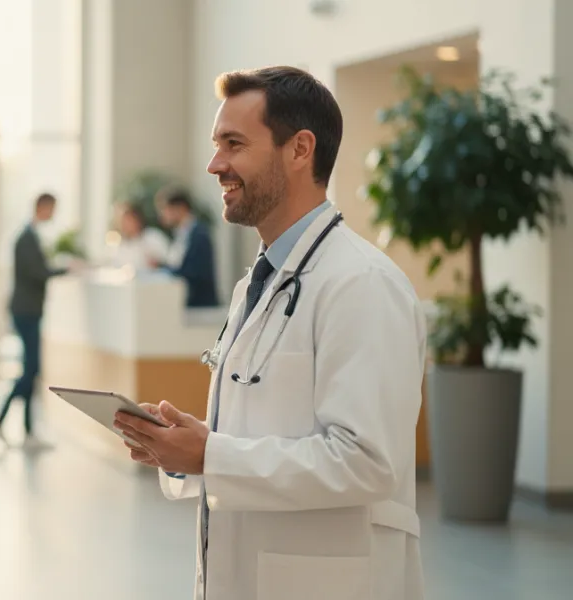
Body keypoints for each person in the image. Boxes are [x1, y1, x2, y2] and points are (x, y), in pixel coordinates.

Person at [115, 66, 427, 600]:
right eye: (216, 145)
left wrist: (211, 455)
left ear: (300, 149)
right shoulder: (261, 283)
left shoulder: (362, 284)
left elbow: (367, 462)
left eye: (234, 144)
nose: (215, 165)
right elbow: (265, 437)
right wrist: (186, 449)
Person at [0, 193, 67, 445]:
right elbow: (39, 273)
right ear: (42, 207)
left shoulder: (30, 236)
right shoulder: (26, 238)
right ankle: (3, 420)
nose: (53, 215)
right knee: (31, 370)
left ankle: (26, 430)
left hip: (29, 310)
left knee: (31, 370)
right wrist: (67, 267)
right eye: (52, 209)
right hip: (26, 311)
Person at [150, 186, 219, 307]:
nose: (162, 215)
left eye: (165, 209)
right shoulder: (181, 234)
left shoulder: (199, 235)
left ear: (180, 208)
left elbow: (194, 273)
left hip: (200, 309)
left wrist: (162, 269)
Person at [108, 203, 169, 272]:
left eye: (129, 220)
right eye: (123, 221)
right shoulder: (121, 244)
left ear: (138, 220)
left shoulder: (153, 237)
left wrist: (158, 264)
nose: (125, 225)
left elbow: (168, 262)